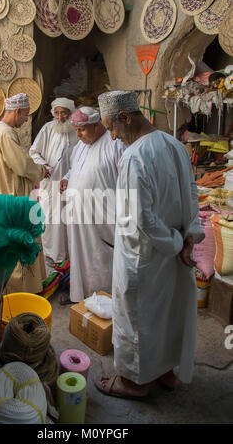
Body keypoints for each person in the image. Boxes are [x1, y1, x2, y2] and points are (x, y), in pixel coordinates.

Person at [94, 90, 205, 398]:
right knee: (167, 315)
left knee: (137, 318)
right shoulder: (174, 144)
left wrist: (173, 243)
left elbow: (141, 218)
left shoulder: (134, 157)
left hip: (143, 256)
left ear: (125, 117)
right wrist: (187, 240)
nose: (113, 137)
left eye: (112, 128)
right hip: (174, 253)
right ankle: (167, 373)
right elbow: (191, 193)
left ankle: (134, 382)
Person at [59, 106, 125, 304]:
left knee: (101, 258)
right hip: (79, 218)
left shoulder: (115, 145)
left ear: (97, 126)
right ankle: (81, 296)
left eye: (83, 129)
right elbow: (76, 169)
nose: (78, 135)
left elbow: (127, 179)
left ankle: (105, 300)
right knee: (80, 258)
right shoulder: (80, 147)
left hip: (103, 218)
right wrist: (66, 178)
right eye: (76, 130)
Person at [0, 93, 49, 295]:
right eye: (25, 116)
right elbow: (22, 165)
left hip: (4, 196)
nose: (25, 121)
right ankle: (21, 293)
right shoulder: (5, 133)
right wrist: (41, 171)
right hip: (11, 198)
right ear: (17, 111)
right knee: (20, 244)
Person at [29, 97, 77, 267]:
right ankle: (50, 255)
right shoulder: (48, 129)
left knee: (68, 218)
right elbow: (34, 151)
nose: (60, 116)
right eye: (56, 113)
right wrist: (43, 167)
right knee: (50, 217)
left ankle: (67, 255)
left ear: (70, 113)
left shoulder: (76, 130)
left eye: (63, 112)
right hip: (50, 181)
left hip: (70, 182)